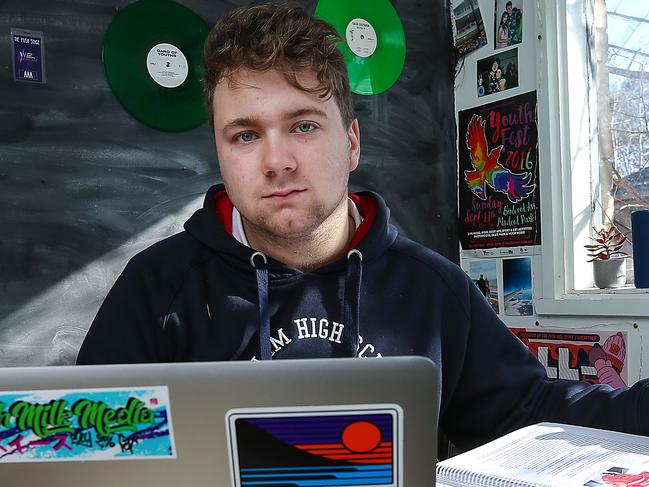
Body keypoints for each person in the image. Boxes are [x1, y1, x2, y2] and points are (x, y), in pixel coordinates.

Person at [76, 1, 649, 452]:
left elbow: (529, 411)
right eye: (246, 135)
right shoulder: (157, 287)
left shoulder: (433, 289)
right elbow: (84, 447)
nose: (276, 162)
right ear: (221, 152)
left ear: (351, 142)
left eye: (303, 126)